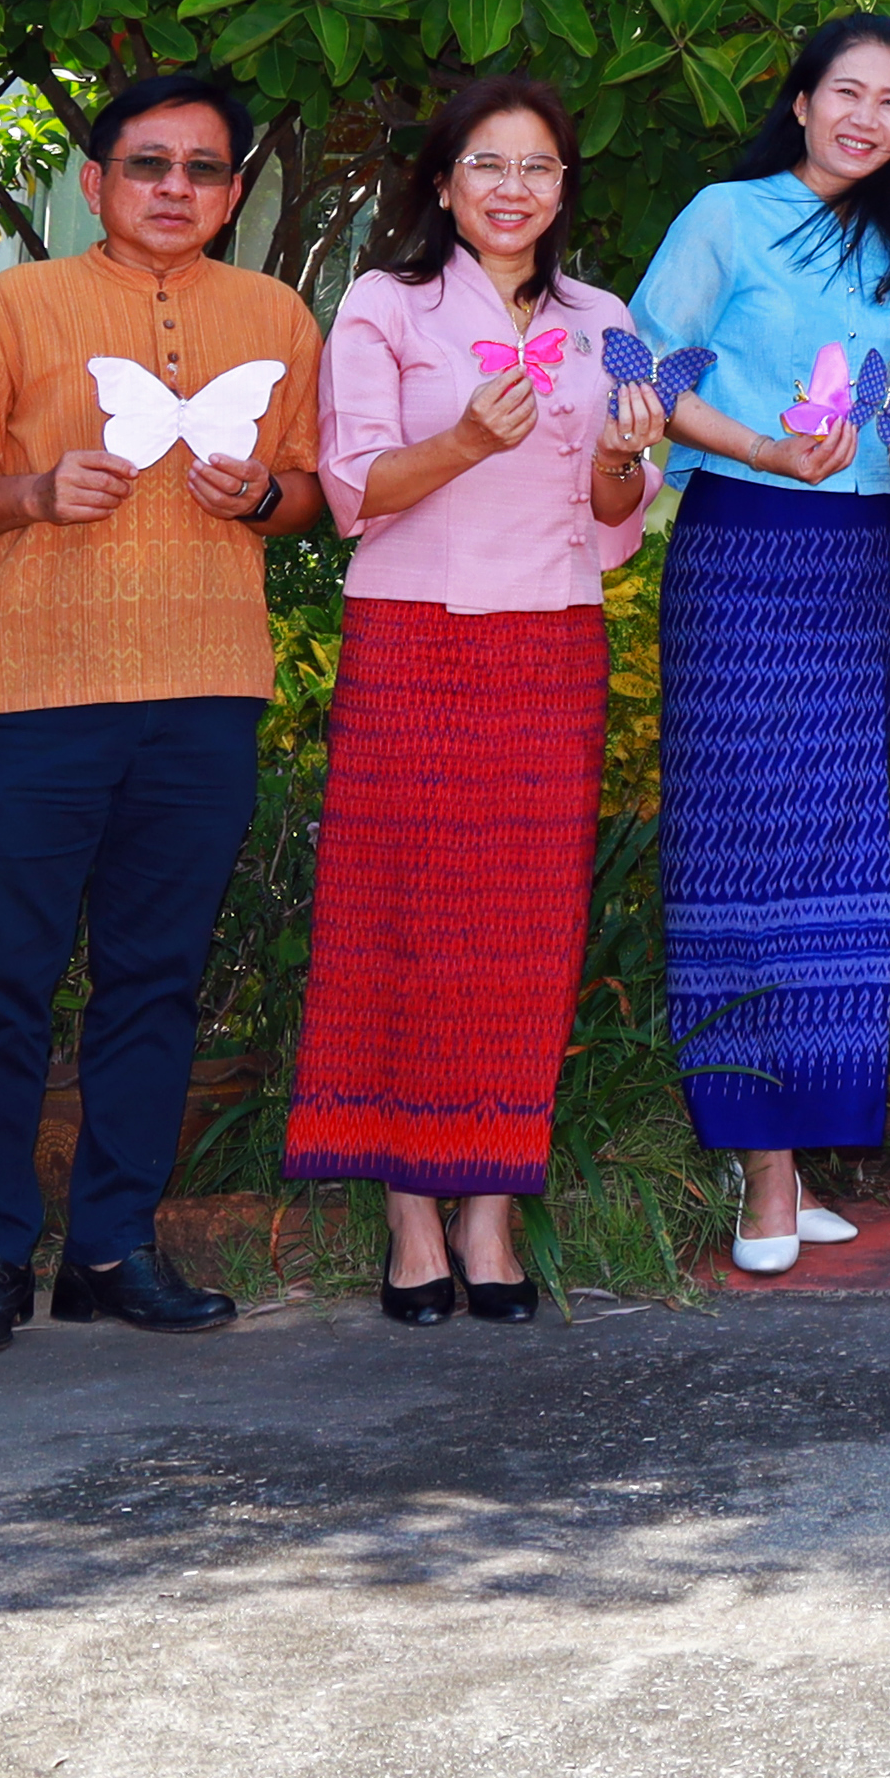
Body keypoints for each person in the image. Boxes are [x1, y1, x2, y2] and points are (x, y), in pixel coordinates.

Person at [0, 68, 322, 1357]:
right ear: (95, 180)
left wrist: (263, 496)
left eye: (203, 169)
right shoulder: (15, 304)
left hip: (206, 686)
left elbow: (312, 489)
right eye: (149, 163)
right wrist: (37, 492)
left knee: (156, 977)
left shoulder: (275, 312)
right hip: (36, 689)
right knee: (6, 977)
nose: (174, 188)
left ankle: (111, 1246)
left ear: (235, 192)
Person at [294, 73, 663, 1323]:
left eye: (538, 166)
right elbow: (354, 488)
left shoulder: (602, 318)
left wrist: (619, 458)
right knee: (400, 914)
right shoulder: (385, 303)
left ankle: (491, 1207)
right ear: (445, 184)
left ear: (564, 188)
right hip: (414, 635)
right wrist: (464, 439)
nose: (514, 188)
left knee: (524, 928)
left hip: (550, 641)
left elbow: (613, 518)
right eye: (488, 164)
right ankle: (410, 1209)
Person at [631, 15, 890, 1279]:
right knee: (744, 840)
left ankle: (799, 1150)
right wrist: (763, 446)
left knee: (838, 845)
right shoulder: (727, 213)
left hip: (860, 556)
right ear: (803, 99)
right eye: (847, 91)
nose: (867, 117)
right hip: (745, 545)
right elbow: (641, 366)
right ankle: (760, 1166)